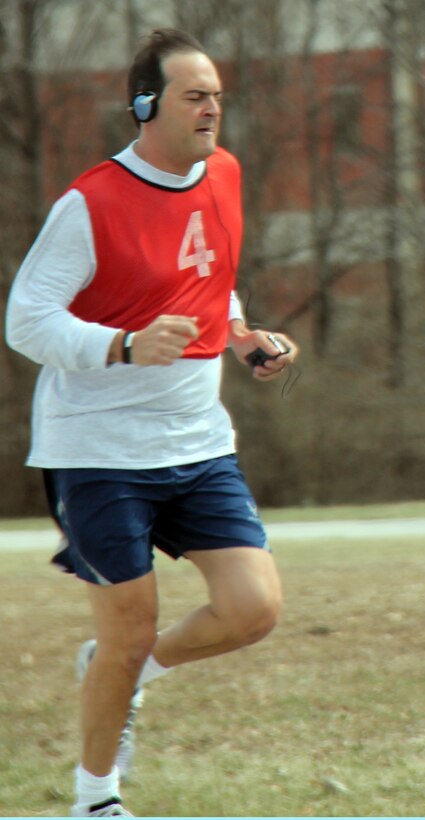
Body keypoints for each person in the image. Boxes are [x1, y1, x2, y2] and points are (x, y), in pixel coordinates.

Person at [5, 29, 298, 818]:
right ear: (146, 106)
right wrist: (122, 345)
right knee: (133, 627)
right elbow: (25, 322)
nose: (212, 109)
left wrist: (241, 336)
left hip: (197, 443)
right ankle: (95, 801)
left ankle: (120, 669)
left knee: (253, 610)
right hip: (97, 451)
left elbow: (211, 276)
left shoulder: (225, 173)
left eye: (217, 96)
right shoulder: (91, 203)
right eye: (194, 96)